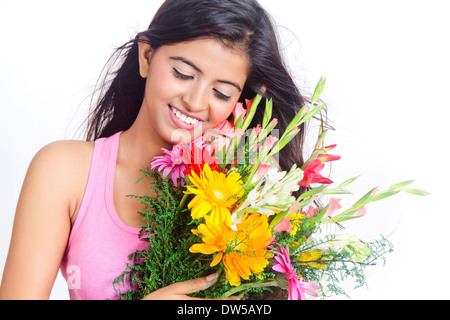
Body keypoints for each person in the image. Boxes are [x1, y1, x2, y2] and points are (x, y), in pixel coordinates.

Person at [0, 0, 310, 300]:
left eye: (221, 92)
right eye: (183, 74)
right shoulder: (64, 172)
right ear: (147, 56)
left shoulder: (244, 198)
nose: (196, 101)